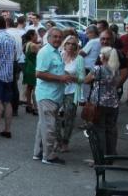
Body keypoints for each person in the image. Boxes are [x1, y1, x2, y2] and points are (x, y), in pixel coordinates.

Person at [33, 28, 75, 165]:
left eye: (60, 37)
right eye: (55, 37)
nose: (58, 39)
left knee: (43, 125)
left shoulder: (55, 52)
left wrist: (65, 76)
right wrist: (60, 78)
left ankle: (39, 152)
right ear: (49, 37)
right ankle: (49, 156)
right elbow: (39, 73)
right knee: (49, 127)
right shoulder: (46, 52)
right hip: (47, 95)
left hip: (54, 95)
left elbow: (54, 71)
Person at [84, 47, 121, 157]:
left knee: (99, 129)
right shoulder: (115, 69)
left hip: (100, 103)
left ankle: (101, 156)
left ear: (103, 56)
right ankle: (111, 153)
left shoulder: (98, 69)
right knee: (111, 129)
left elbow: (86, 80)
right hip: (113, 103)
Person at [55, 35, 85, 152]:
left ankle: (65, 142)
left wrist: (70, 76)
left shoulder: (79, 59)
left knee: (69, 117)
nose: (71, 46)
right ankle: (58, 140)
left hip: (72, 91)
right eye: (68, 43)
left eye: (74, 44)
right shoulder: (59, 55)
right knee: (55, 116)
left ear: (77, 46)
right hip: (58, 90)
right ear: (65, 44)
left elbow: (82, 78)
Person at [22, 29, 39, 114]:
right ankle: (36, 108)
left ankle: (29, 105)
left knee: (29, 87)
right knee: (36, 88)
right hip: (33, 67)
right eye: (36, 35)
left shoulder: (26, 44)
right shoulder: (34, 45)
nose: (37, 36)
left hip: (27, 67)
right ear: (32, 36)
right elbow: (40, 55)